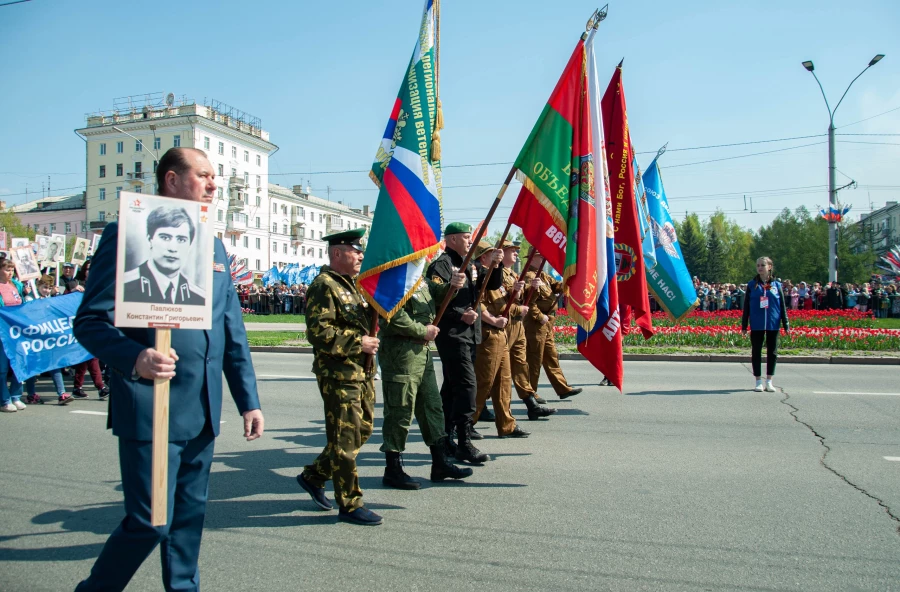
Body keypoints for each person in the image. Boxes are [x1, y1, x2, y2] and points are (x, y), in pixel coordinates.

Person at [73, 147, 264, 591]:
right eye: (204, 175)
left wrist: (247, 400)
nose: (214, 184)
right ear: (172, 180)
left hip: (201, 410)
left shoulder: (212, 243)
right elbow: (89, 322)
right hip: (151, 406)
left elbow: (230, 330)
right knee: (151, 522)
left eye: (216, 177)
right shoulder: (128, 232)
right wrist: (134, 357)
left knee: (187, 523)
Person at [295, 227, 384, 526]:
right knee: (345, 438)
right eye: (354, 249)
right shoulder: (324, 285)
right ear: (336, 253)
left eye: (360, 250)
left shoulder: (356, 285)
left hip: (361, 371)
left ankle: (314, 475)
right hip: (338, 373)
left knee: (363, 430)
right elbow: (318, 332)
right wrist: (359, 342)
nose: (360, 254)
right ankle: (349, 503)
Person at [377, 260, 473, 489]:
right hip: (401, 354)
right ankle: (393, 469)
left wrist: (455, 284)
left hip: (422, 353)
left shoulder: (419, 280)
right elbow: (390, 317)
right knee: (400, 411)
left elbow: (439, 294)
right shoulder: (393, 280)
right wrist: (422, 330)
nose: (426, 256)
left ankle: (439, 463)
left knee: (432, 407)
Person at [426, 222, 497, 465]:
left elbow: (491, 285)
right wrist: (459, 315)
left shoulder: (470, 264)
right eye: (467, 237)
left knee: (452, 388)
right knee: (467, 385)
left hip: (470, 334)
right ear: (453, 239)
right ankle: (464, 441)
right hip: (453, 334)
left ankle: (445, 438)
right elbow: (436, 301)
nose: (470, 241)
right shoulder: (442, 265)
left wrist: (494, 265)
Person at [472, 240, 530, 438]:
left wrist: (515, 291)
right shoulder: (480, 276)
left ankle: (507, 425)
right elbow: (477, 304)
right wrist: (493, 320)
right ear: (483, 257)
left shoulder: (495, 277)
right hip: (488, 332)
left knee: (504, 381)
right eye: (491, 254)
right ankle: (466, 423)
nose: (496, 256)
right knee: (484, 382)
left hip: (500, 334)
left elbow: (503, 301)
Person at [497, 243, 556, 417]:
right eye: (512, 251)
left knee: (522, 365)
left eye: (516, 251)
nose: (516, 253)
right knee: (495, 372)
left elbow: (525, 298)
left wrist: (533, 289)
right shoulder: (496, 274)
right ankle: (477, 411)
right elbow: (499, 302)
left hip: (518, 325)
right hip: (506, 324)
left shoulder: (515, 274)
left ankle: (531, 405)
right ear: (501, 253)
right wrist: (517, 306)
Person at [523, 254, 583, 400]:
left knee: (551, 357)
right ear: (532, 259)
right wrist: (539, 316)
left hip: (546, 322)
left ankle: (562, 388)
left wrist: (567, 281)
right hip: (536, 324)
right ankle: (531, 393)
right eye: (539, 257)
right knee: (534, 360)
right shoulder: (530, 276)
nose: (544, 259)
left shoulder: (543, 275)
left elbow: (555, 287)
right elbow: (528, 302)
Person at [122, 206, 206, 305]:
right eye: (165, 238)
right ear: (150, 240)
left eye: (181, 240)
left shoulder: (199, 297)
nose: (173, 248)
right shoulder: (124, 286)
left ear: (189, 246)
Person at [741, 256, 789, 392]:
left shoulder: (777, 285)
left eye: (762, 265)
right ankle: (758, 381)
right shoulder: (752, 285)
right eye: (758, 265)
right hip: (757, 323)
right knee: (756, 351)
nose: (760, 268)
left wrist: (786, 323)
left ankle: (769, 381)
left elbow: (783, 306)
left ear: (769, 267)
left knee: (772, 352)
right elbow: (746, 307)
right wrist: (744, 325)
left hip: (773, 323)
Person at [0, 258, 26, 413]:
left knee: (19, 364)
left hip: (17, 333)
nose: (9, 273)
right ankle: (4, 400)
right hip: (2, 333)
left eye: (11, 270)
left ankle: (16, 396)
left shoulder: (16, 285)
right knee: (2, 369)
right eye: (6, 269)